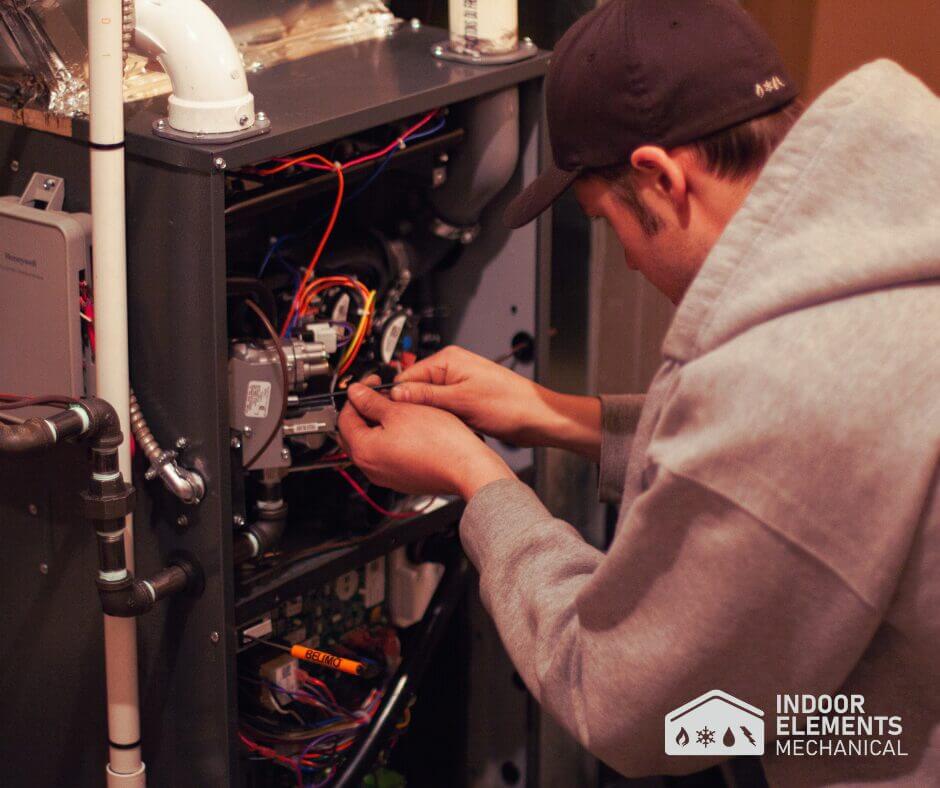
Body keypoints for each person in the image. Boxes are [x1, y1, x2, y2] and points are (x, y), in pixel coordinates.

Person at [338, 0, 940, 782]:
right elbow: (819, 482)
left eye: (606, 221)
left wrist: (475, 478)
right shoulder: (899, 216)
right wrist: (556, 417)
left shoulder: (783, 383)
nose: (624, 260)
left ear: (659, 177)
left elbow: (632, 711)